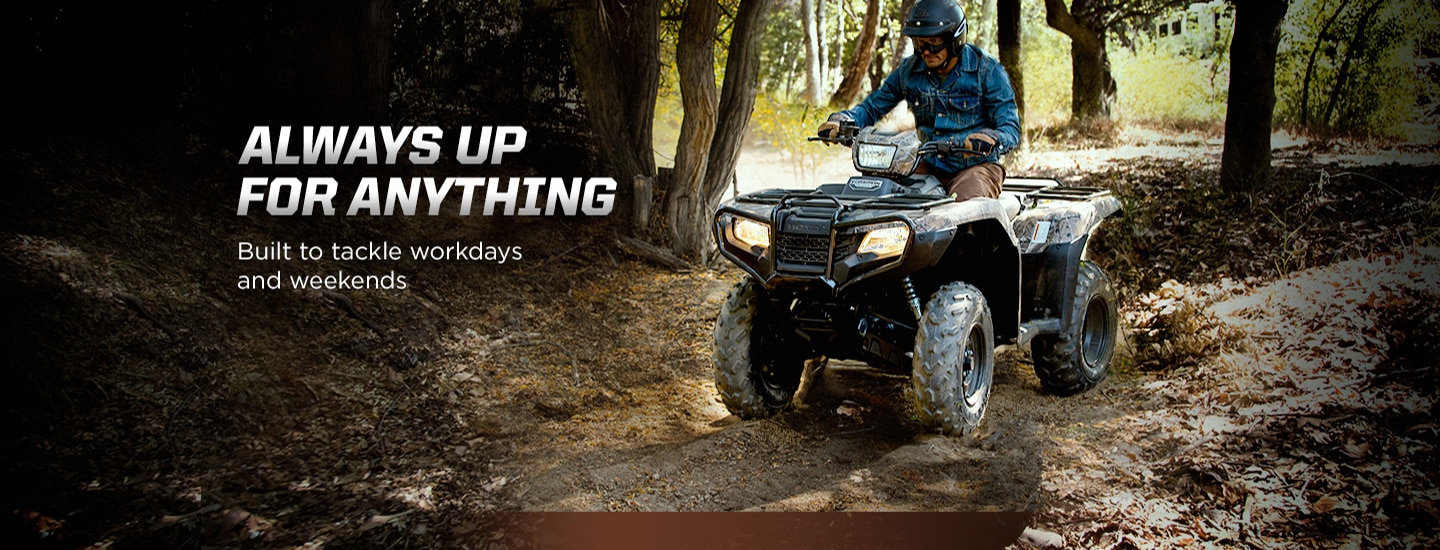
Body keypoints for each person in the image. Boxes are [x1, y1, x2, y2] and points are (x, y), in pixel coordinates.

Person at [818, 0, 1020, 202]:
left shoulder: (987, 70)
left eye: (933, 44)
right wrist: (843, 120)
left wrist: (991, 138)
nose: (925, 52)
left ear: (955, 39)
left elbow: (1010, 128)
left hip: (976, 167)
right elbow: (871, 107)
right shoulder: (909, 70)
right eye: (920, 44)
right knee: (878, 196)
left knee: (964, 206)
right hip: (924, 164)